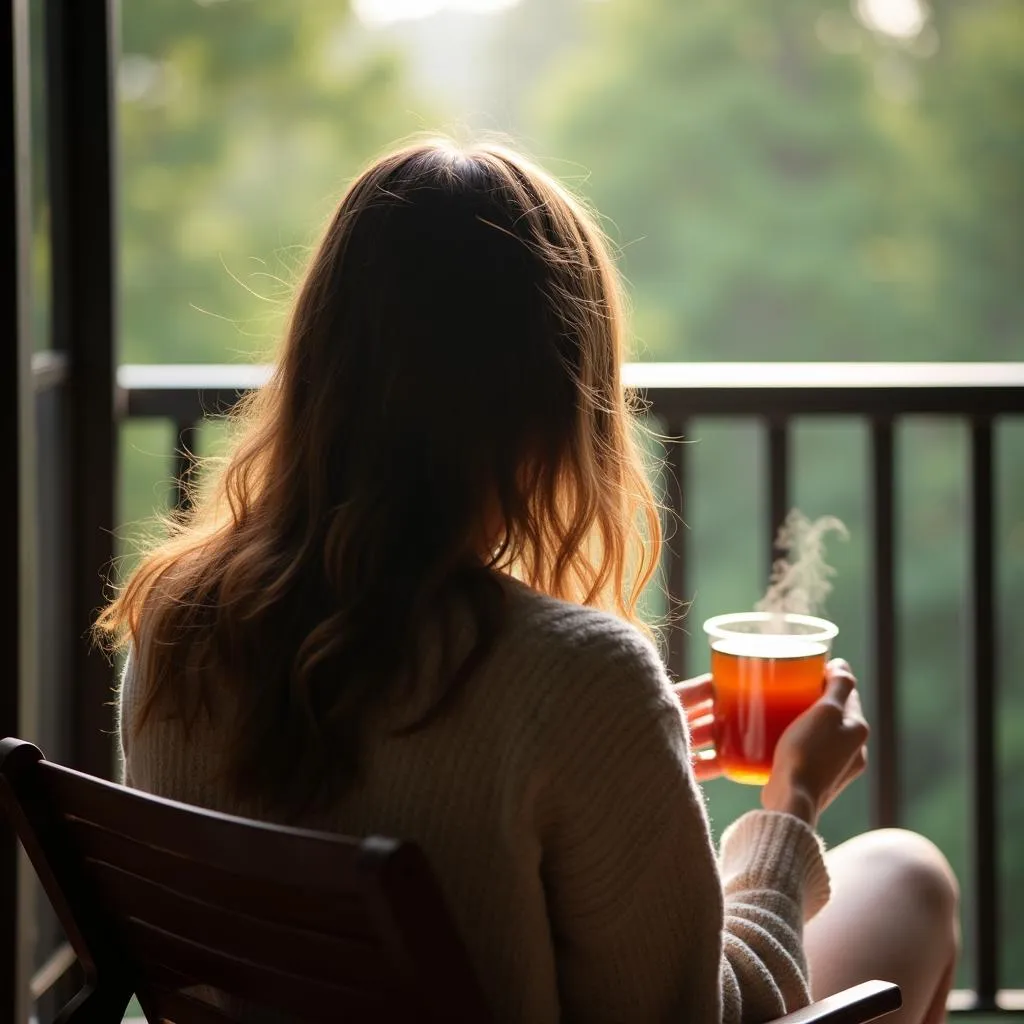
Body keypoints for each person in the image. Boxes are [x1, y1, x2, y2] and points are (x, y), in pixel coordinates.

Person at [97, 139, 959, 1024]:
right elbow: (690, 1014)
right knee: (908, 876)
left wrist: (628, 748)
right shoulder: (577, 680)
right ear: (557, 401)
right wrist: (791, 808)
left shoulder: (177, 621)